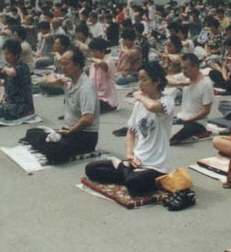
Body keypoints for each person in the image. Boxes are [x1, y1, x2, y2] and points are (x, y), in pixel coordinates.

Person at [85, 62, 174, 196]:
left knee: (133, 183)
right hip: (137, 161)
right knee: (91, 168)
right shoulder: (139, 104)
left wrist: (140, 97)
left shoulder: (167, 101)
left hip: (156, 166)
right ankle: (126, 171)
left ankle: (124, 170)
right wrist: (130, 156)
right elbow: (130, 133)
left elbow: (153, 107)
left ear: (157, 81)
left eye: (144, 80)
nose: (140, 83)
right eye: (139, 79)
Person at [28, 47, 99, 163]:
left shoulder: (86, 88)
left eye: (65, 64)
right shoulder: (68, 81)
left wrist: (70, 132)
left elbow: (87, 120)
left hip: (85, 136)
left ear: (77, 65)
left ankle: (50, 144)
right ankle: (49, 142)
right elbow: (49, 77)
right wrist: (55, 82)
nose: (62, 67)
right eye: (61, 64)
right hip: (68, 131)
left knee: (54, 152)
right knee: (31, 133)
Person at [169, 53, 214, 145]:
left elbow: (206, 110)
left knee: (172, 138)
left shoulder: (206, 84)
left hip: (196, 123)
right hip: (181, 118)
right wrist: (178, 83)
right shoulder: (185, 77)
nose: (183, 71)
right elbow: (165, 78)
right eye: (182, 68)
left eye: (186, 68)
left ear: (196, 67)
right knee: (158, 126)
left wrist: (189, 119)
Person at [87, 37, 118, 114]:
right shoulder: (92, 65)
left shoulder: (109, 62)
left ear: (103, 51)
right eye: (91, 51)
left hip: (107, 100)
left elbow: (101, 64)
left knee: (91, 106)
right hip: (95, 97)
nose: (92, 54)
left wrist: (93, 59)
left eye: (94, 51)